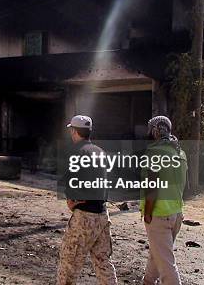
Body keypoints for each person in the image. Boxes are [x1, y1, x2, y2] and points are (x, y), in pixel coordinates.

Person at [57, 115, 117, 285]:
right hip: (102, 215)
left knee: (69, 263)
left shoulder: (77, 152)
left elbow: (71, 182)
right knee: (103, 262)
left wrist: (72, 201)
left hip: (84, 216)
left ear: (74, 131)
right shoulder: (101, 152)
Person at [140, 116, 187, 285]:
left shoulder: (154, 152)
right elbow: (183, 184)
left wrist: (147, 212)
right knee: (157, 253)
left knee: (167, 265)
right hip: (176, 213)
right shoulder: (179, 153)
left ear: (155, 131)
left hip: (158, 214)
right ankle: (148, 281)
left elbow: (152, 186)